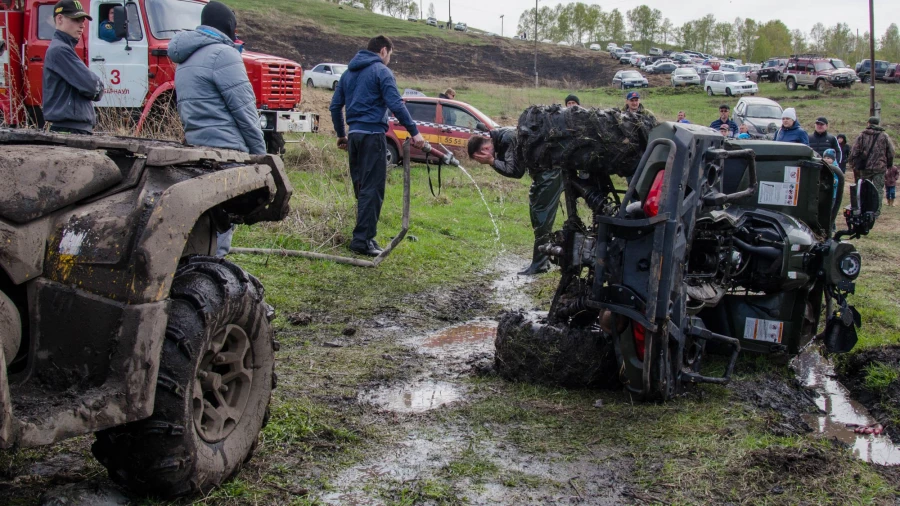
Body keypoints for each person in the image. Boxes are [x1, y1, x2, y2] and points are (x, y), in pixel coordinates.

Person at [169, 0, 266, 257]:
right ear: (228, 27)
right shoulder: (224, 55)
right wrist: (260, 155)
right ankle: (214, 278)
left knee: (204, 219)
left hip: (196, 149)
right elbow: (245, 111)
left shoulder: (184, 58)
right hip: (227, 152)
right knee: (223, 221)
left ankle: (195, 267)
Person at [330, 35, 425, 257]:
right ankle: (362, 241)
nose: (389, 59)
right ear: (383, 51)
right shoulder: (382, 72)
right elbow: (396, 104)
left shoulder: (348, 74)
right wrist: (415, 133)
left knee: (362, 187)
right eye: (390, 54)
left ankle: (364, 237)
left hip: (354, 136)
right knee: (372, 189)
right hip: (373, 135)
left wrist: (342, 135)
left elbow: (335, 107)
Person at [468, 126, 562, 275]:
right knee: (538, 214)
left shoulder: (507, 139)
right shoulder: (502, 134)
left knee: (541, 216)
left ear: (485, 149)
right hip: (544, 171)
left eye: (480, 160)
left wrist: (492, 161)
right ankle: (542, 258)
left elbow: (515, 171)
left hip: (550, 171)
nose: (481, 163)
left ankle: (540, 265)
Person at [42, 0, 104, 135]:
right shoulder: (60, 50)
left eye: (83, 20)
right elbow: (93, 87)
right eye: (76, 19)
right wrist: (98, 85)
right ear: (59, 19)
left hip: (72, 128)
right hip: (69, 129)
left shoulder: (63, 48)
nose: (82, 25)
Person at [850, 116, 895, 218]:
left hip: (865, 167)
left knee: (863, 189)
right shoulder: (884, 136)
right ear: (878, 124)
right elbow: (891, 152)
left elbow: (854, 151)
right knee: (878, 189)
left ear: (868, 123)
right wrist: (889, 164)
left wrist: (854, 164)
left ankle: (863, 209)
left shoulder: (862, 135)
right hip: (880, 167)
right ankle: (876, 213)